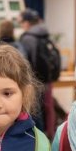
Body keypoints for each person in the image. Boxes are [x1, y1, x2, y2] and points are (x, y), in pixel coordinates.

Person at [18, 8, 55, 138]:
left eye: (22, 22)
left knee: (35, 110)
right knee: (48, 108)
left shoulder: (27, 38)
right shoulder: (44, 34)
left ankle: (37, 138)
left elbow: (26, 62)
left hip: (34, 81)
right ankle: (50, 136)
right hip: (48, 79)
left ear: (27, 23)